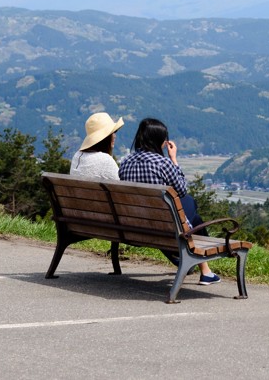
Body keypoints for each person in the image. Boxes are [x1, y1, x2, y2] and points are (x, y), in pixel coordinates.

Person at [118, 117, 220, 285]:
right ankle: (203, 269)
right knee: (190, 204)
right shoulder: (163, 163)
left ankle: (198, 267)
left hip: (136, 224)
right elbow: (181, 189)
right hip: (162, 224)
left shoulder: (125, 162)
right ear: (160, 141)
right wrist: (174, 159)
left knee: (193, 216)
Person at [70, 112, 123, 181]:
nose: (114, 136)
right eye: (113, 132)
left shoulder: (77, 156)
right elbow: (120, 186)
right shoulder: (106, 160)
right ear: (106, 137)